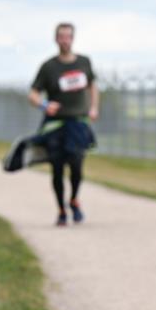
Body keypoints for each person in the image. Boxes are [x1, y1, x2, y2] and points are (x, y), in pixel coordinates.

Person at [28, 23, 99, 226]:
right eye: (61, 37)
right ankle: (61, 210)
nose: (65, 40)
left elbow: (93, 86)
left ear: (73, 38)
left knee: (77, 165)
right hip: (55, 125)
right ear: (56, 39)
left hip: (78, 122)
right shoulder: (49, 67)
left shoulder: (84, 62)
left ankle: (74, 199)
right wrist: (44, 104)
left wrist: (93, 107)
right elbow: (32, 94)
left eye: (68, 36)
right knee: (57, 169)